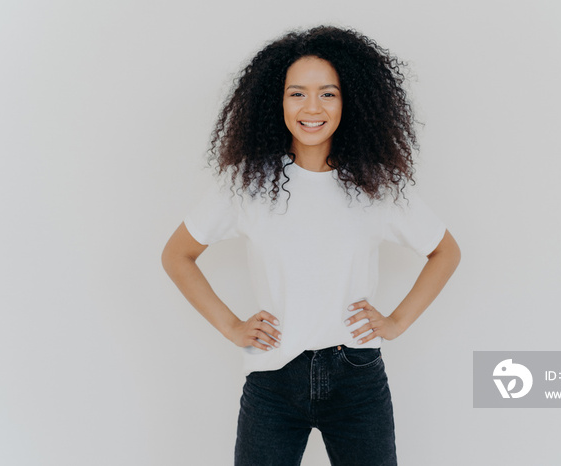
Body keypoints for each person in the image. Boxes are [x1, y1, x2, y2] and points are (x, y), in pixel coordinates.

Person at [162, 25, 461, 466]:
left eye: (329, 93)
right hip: (272, 382)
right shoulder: (247, 183)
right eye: (297, 93)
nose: (312, 108)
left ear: (349, 101)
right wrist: (231, 326)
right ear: (276, 101)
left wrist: (396, 321)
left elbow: (445, 252)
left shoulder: (376, 185)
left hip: (356, 378)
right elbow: (177, 254)